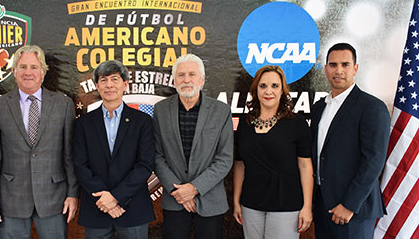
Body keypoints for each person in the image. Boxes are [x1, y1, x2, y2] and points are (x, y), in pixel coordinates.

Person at [0, 45, 78, 238]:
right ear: (14, 72)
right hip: (11, 199)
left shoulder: (63, 104)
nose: (28, 73)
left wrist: (73, 194)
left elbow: (69, 154)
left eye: (34, 67)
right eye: (22, 67)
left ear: (43, 72)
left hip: (54, 198)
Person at [312, 43, 390, 238]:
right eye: (333, 64)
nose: (338, 70)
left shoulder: (371, 107)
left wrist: (349, 205)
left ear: (355, 68)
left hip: (355, 210)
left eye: (345, 64)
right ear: (326, 69)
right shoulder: (319, 107)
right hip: (323, 206)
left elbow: (374, 160)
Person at [153, 53, 233, 239]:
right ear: (174, 81)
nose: (186, 80)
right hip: (175, 200)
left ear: (202, 80)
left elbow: (225, 158)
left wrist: (194, 188)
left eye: (192, 74)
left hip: (210, 200)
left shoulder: (221, 111)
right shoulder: (161, 110)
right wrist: (179, 191)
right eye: (181, 75)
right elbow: (157, 155)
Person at [73, 60, 155, 239]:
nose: (109, 85)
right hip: (97, 208)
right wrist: (105, 200)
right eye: (103, 80)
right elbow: (80, 165)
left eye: (115, 79)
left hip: (133, 208)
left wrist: (115, 197)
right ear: (97, 86)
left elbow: (145, 165)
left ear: (125, 84)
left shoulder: (143, 121)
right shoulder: (83, 124)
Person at [232, 65, 313, 238]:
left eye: (275, 86)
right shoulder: (246, 124)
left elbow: (305, 167)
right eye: (263, 86)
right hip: (250, 205)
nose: (268, 91)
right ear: (255, 90)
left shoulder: (296, 123)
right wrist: (236, 201)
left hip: (286, 206)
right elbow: (239, 165)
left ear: (283, 90)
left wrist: (307, 207)